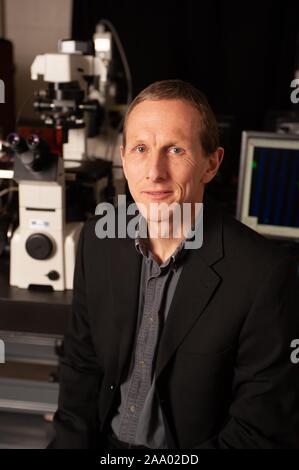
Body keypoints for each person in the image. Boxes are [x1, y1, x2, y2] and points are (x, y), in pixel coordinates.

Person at [48, 80, 299, 449]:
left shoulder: (264, 275)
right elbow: (81, 370)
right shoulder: (99, 241)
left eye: (175, 149)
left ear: (211, 164)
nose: (154, 172)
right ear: (123, 158)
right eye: (140, 149)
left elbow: (258, 431)